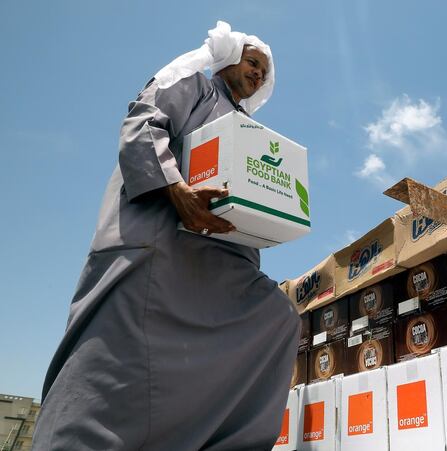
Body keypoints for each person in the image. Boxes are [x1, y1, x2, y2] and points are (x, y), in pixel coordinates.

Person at [32, 21, 300, 450]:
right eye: (253, 62)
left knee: (278, 318)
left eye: (264, 72)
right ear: (229, 56)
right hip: (160, 243)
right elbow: (142, 125)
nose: (258, 75)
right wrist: (177, 190)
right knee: (120, 364)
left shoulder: (246, 130)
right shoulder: (194, 85)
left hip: (224, 260)